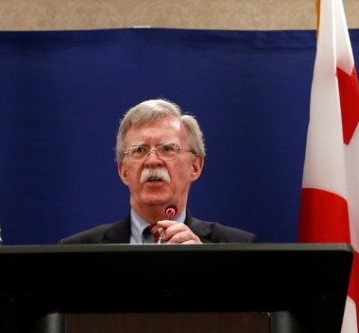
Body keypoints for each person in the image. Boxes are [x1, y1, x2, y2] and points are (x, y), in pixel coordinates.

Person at [61, 98, 258, 245]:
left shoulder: (239, 246)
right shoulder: (76, 250)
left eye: (167, 149)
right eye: (140, 150)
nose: (152, 161)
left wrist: (203, 264)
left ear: (195, 166)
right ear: (123, 171)